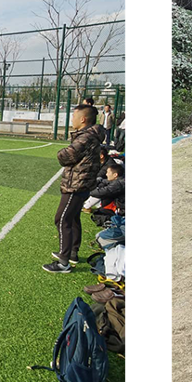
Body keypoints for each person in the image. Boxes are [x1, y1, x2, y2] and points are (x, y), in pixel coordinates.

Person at [44, 104, 105, 274]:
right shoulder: (91, 136)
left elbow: (66, 155)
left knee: (62, 219)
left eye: (74, 116)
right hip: (81, 184)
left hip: (77, 185)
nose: (72, 119)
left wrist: (60, 153)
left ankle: (63, 262)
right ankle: (72, 253)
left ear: (83, 119)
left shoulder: (85, 138)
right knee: (73, 218)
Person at [89, 163, 126, 227]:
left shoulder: (118, 184)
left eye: (108, 172)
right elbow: (106, 182)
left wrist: (86, 190)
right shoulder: (121, 180)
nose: (106, 174)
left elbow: (101, 192)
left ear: (115, 175)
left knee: (99, 213)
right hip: (121, 208)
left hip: (123, 211)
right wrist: (100, 180)